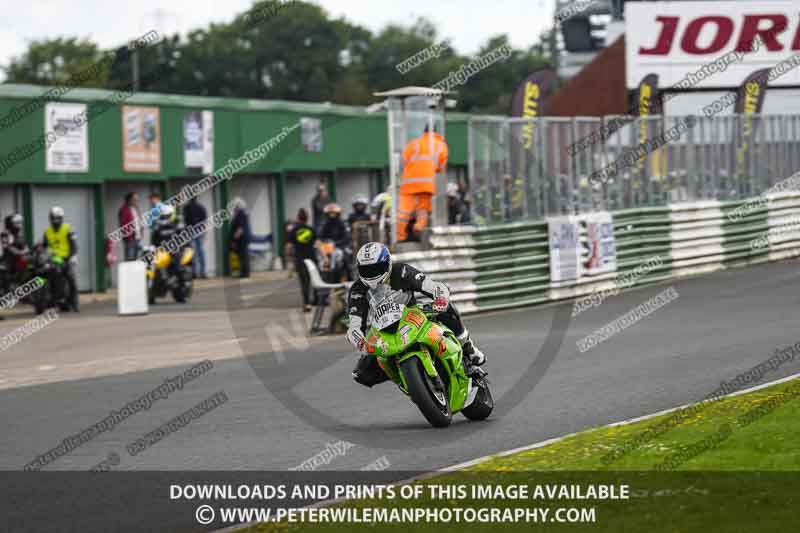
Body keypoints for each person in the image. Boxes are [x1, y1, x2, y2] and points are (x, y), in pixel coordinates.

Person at [345, 242, 485, 388]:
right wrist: (360, 341)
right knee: (361, 374)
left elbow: (430, 285)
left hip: (414, 316)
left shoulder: (402, 271)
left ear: (387, 263)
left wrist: (440, 298)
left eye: (376, 268)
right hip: (384, 331)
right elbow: (354, 325)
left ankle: (468, 348)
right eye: (366, 269)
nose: (372, 273)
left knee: (447, 309)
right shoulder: (357, 290)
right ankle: (404, 375)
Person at [398, 125, 448, 242]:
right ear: (436, 132)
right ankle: (418, 229)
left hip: (408, 184)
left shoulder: (414, 143)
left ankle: (400, 236)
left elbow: (402, 162)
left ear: (424, 132)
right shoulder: (441, 146)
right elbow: (441, 168)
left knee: (403, 212)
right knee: (423, 210)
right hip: (427, 185)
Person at [42, 206, 79, 312]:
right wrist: (44, 253)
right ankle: (52, 303)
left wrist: (73, 256)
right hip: (53, 259)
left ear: (62, 218)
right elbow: (44, 246)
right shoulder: (47, 232)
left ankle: (74, 303)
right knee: (52, 278)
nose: (55, 221)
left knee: (72, 279)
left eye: (58, 218)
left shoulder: (68, 229)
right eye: (53, 218)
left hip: (67, 258)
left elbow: (74, 244)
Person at [286, 208, 316, 312]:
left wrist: (288, 258)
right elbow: (317, 243)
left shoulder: (294, 230)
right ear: (307, 218)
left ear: (298, 218)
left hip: (300, 259)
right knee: (312, 280)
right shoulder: (311, 229)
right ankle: (315, 300)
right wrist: (325, 257)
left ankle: (307, 303)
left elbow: (289, 246)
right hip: (311, 258)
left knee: (304, 282)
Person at [183, 196, 208, 278]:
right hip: (199, 230)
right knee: (201, 251)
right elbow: (204, 221)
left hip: (190, 231)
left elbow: (185, 220)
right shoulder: (201, 207)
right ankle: (203, 272)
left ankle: (194, 272)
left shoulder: (186, 208)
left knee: (192, 251)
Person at [229, 197, 252, 278]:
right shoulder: (241, 213)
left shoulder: (241, 213)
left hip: (242, 239)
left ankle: (245, 273)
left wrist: (235, 238)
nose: (234, 207)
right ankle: (244, 272)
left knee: (244, 256)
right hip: (242, 238)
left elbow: (240, 228)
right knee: (242, 256)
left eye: (235, 206)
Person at [117, 192, 142, 261]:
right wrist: (128, 237)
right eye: (135, 199)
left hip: (138, 238)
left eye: (137, 199)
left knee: (136, 259)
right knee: (130, 260)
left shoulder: (136, 209)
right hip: (130, 239)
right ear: (129, 200)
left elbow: (138, 222)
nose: (137, 201)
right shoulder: (124, 210)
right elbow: (123, 225)